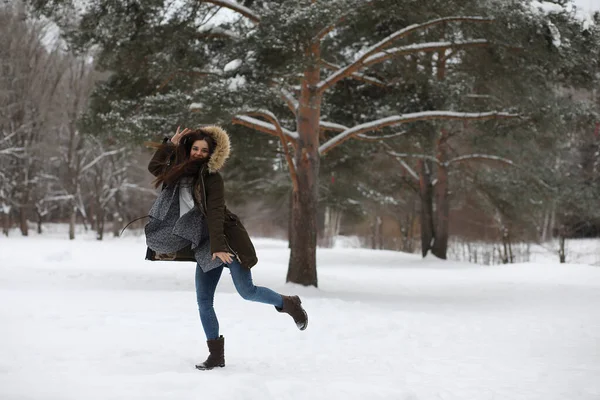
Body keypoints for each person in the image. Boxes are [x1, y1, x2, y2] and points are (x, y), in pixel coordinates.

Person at [144, 125, 308, 371]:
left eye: (204, 150)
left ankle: (289, 304)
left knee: (247, 291)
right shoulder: (176, 173)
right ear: (188, 149)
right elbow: (154, 168)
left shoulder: (212, 178)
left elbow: (216, 214)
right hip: (204, 243)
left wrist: (219, 247)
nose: (198, 153)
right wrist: (170, 144)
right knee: (204, 301)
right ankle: (216, 356)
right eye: (195, 148)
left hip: (225, 239)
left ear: (211, 154)